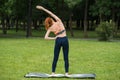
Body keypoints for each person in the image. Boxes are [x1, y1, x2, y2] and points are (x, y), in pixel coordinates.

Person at [36, 5, 69, 76]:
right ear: (52, 19)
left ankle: (53, 73)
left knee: (55, 57)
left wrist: (54, 38)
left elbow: (45, 37)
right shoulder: (58, 21)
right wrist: (43, 8)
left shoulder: (50, 28)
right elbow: (50, 13)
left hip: (58, 40)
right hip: (65, 39)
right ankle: (66, 73)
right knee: (66, 57)